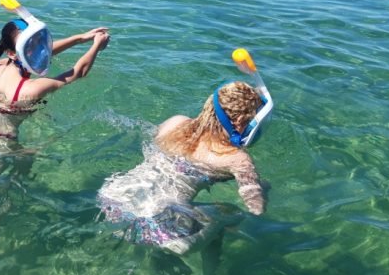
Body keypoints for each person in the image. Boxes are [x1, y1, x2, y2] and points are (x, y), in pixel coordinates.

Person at [97, 49, 273, 254]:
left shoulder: (175, 122)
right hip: (159, 232)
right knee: (233, 212)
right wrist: (262, 188)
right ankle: (211, 258)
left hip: (112, 204)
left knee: (192, 214)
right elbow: (256, 208)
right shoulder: (237, 159)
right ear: (243, 124)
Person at [0, 0, 110, 140]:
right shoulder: (32, 88)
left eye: (38, 42)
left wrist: (81, 38)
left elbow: (43, 52)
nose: (39, 49)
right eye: (31, 46)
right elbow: (79, 73)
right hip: (2, 143)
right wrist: (96, 46)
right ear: (13, 53)